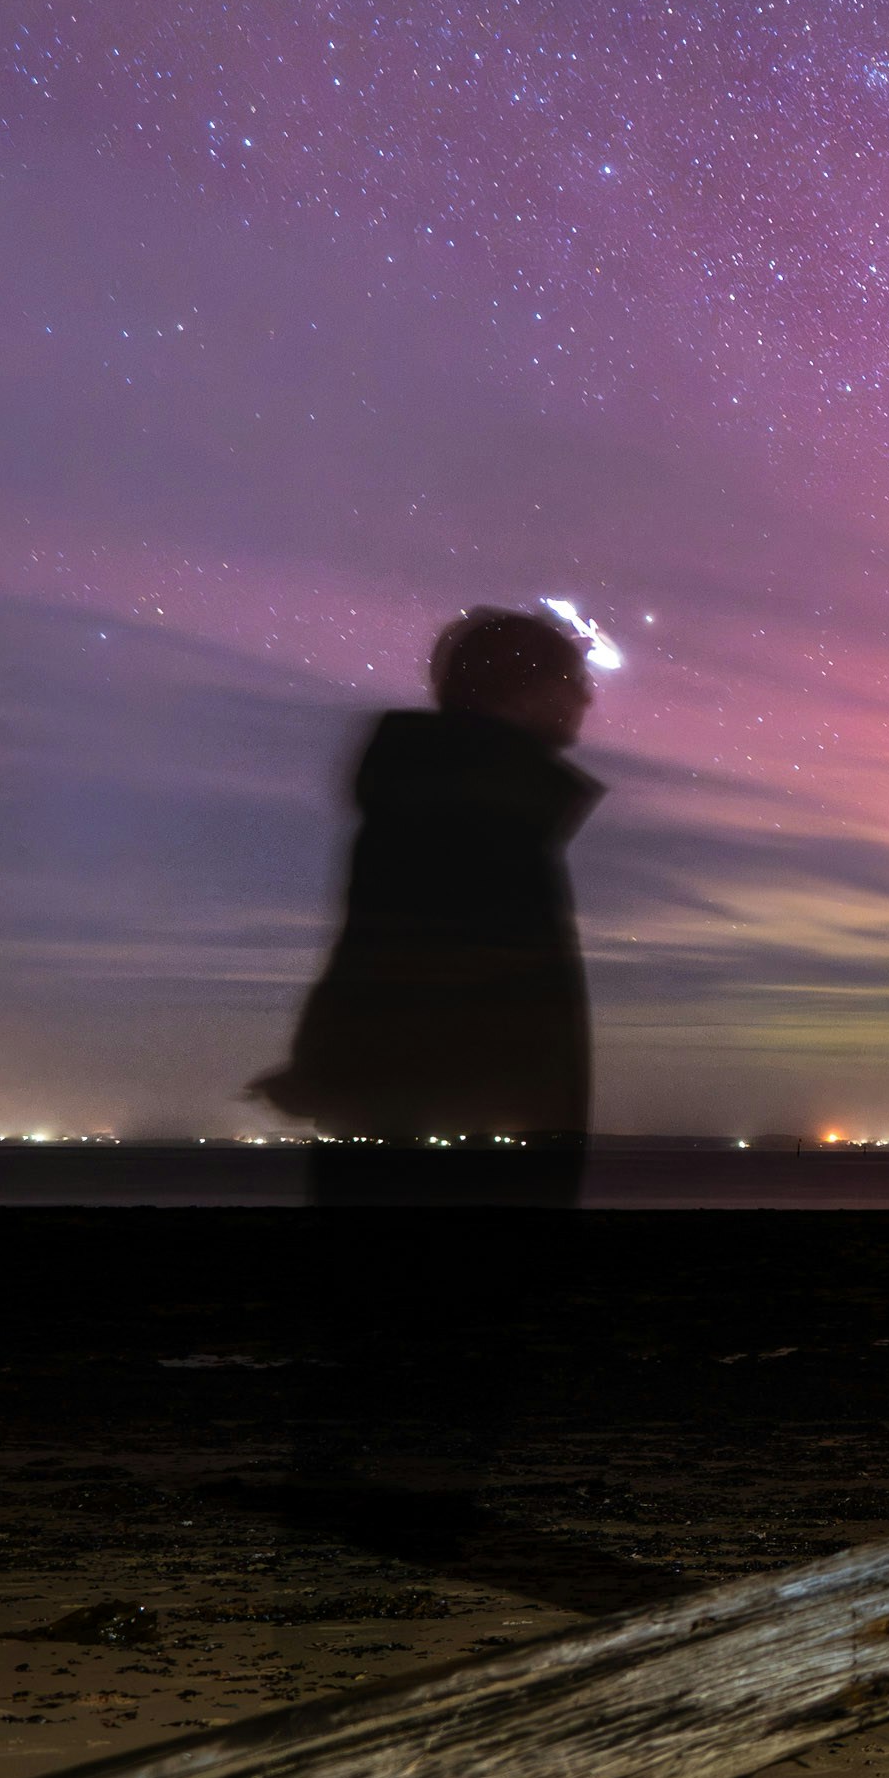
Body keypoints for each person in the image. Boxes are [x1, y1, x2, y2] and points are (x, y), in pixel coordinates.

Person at [256, 604, 605, 1506]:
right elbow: (420, 956)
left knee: (390, 1314)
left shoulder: (455, 795)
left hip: (419, 1114)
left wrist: (323, 1063)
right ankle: (399, 1501)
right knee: (449, 1313)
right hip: (460, 1123)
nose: (588, 697)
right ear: (521, 691)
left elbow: (370, 945)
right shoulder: (477, 804)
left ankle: (369, 1488)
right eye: (569, 679)